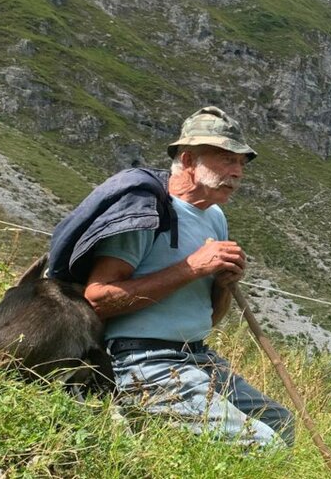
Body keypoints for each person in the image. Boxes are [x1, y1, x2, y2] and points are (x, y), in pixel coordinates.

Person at [81, 106, 295, 446]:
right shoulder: (146, 211)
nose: (238, 172)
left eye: (242, 163)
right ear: (188, 160)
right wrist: (191, 268)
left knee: (281, 423)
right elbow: (97, 300)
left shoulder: (215, 217)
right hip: (140, 360)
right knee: (263, 444)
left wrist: (223, 284)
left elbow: (209, 318)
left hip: (197, 356)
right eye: (227, 159)